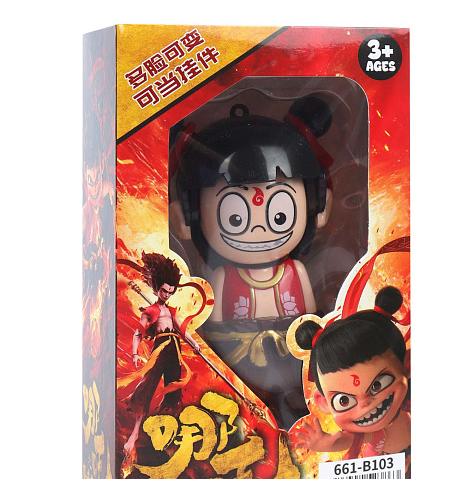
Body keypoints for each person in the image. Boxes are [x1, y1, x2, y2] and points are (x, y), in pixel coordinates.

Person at [171, 94, 334, 430]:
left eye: (278, 214)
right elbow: (213, 333)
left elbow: (312, 322)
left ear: (318, 207)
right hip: (238, 363)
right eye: (236, 217)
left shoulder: (295, 272)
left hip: (295, 359)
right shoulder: (222, 278)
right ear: (186, 217)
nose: (259, 228)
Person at [293, 287, 410, 457]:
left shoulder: (408, 402)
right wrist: (323, 444)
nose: (365, 403)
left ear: (407, 365)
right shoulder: (373, 433)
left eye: (377, 385)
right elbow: (347, 440)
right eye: (344, 401)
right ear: (323, 402)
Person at [120, 253, 201, 465]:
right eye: (164, 291)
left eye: (170, 291)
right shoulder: (150, 310)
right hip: (161, 348)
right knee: (147, 387)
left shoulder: (171, 311)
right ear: (157, 289)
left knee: (174, 391)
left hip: (174, 349)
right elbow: (138, 333)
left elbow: (181, 329)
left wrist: (194, 343)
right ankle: (134, 435)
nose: (167, 294)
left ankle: (169, 439)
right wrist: (135, 353)